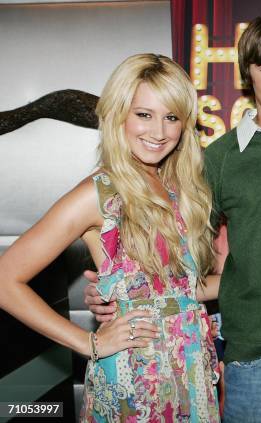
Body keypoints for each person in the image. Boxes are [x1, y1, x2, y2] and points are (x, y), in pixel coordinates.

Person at [85, 13, 261, 422]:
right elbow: (170, 253)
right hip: (254, 363)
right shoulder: (218, 160)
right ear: (248, 74)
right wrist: (117, 292)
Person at [0, 53, 221, 422]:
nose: (159, 132)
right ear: (119, 114)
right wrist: (90, 343)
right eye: (144, 114)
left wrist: (260, 283)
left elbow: (181, 291)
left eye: (171, 117)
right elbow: (6, 280)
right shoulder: (97, 194)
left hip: (191, 370)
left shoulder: (176, 187)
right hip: (135, 377)